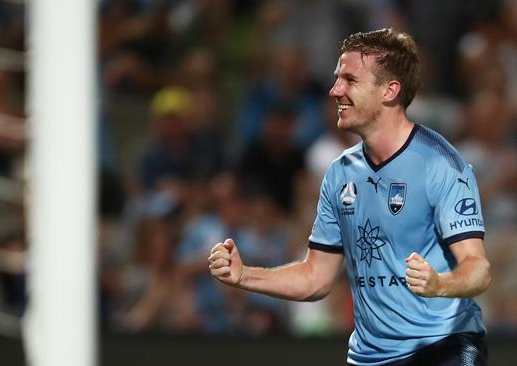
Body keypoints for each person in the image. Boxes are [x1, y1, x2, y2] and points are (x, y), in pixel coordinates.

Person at [208, 28, 491, 365]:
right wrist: (244, 276)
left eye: (349, 80)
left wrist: (439, 284)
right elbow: (317, 278)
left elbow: (478, 268)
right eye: (336, 78)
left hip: (443, 348)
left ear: (389, 90)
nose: (334, 90)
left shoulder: (441, 164)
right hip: (370, 357)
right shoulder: (340, 173)